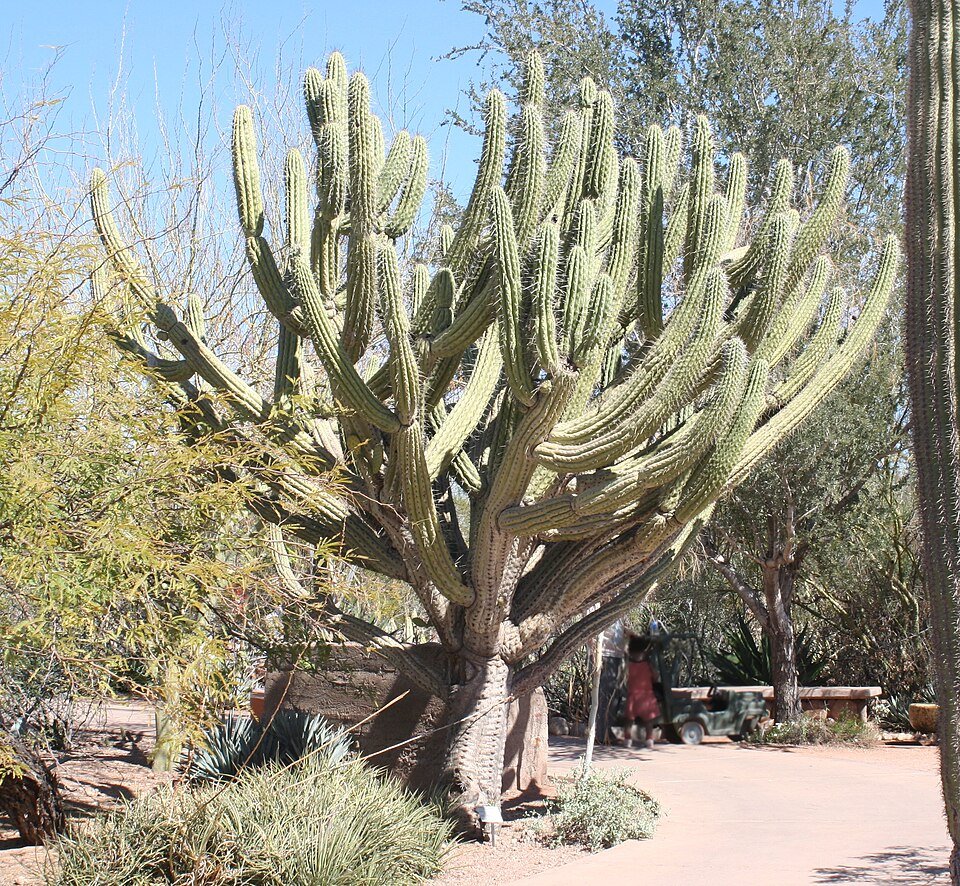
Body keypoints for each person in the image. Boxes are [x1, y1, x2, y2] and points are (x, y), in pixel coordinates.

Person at [622, 635, 661, 749]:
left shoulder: (629, 666)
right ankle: (649, 739)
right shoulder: (648, 665)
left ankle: (627, 739)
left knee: (629, 720)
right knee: (649, 721)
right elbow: (656, 677)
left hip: (633, 696)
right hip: (646, 696)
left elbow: (624, 679)